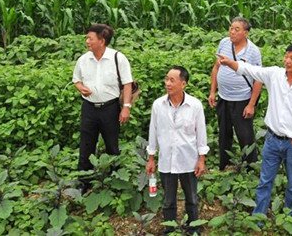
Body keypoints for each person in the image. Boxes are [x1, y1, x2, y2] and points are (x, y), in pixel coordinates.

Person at [217, 44, 292, 217]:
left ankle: (290, 215)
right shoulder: (275, 75)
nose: (287, 61)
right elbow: (249, 69)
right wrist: (230, 63)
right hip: (272, 140)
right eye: (286, 56)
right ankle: (259, 215)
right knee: (265, 180)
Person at [146, 66, 208, 234]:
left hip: (189, 159)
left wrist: (201, 159)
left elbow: (201, 133)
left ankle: (193, 228)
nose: (167, 83)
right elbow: (153, 131)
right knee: (168, 199)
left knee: (192, 198)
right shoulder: (158, 105)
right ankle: (170, 229)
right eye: (166, 79)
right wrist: (151, 157)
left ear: (183, 84)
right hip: (166, 159)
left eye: (172, 80)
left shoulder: (194, 105)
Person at [72, 24, 134, 191]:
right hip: (89, 108)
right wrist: (80, 88)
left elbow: (127, 84)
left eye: (90, 38)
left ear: (102, 41)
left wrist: (126, 107)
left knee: (112, 145)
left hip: (110, 108)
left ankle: (115, 181)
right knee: (86, 145)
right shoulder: (83, 60)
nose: (87, 41)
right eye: (87, 38)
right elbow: (76, 80)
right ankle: (84, 182)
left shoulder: (118, 58)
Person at [209, 17, 263, 170]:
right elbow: (216, 68)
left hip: (242, 99)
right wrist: (213, 91)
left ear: (246, 33)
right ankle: (224, 165)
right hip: (223, 97)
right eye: (231, 28)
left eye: (236, 29)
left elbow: (258, 80)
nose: (232, 32)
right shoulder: (224, 43)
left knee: (245, 135)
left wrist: (251, 104)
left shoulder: (253, 51)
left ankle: (250, 167)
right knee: (223, 133)